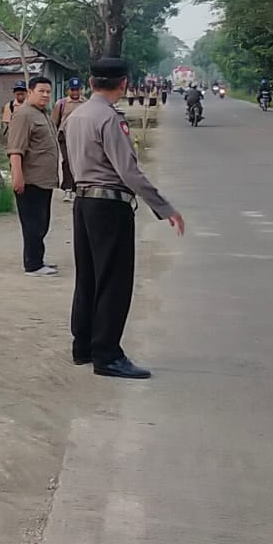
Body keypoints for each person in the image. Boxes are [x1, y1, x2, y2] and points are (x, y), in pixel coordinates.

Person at [63, 58, 184, 380]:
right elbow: (128, 172)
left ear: (90, 83)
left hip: (83, 202)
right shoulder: (109, 119)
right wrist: (164, 208)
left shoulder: (76, 116)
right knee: (114, 281)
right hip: (109, 206)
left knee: (88, 277)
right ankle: (107, 355)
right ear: (124, 84)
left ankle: (83, 346)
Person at [7, 76, 60, 277]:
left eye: (48, 92)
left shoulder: (42, 114)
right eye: (41, 91)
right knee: (33, 224)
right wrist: (17, 177)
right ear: (30, 92)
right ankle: (32, 265)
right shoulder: (24, 115)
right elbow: (15, 150)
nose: (45, 95)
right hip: (30, 180)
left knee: (42, 222)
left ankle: (38, 259)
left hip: (44, 180)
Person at [51, 78, 86, 203]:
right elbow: (54, 122)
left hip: (81, 136)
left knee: (80, 161)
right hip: (64, 136)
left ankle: (78, 188)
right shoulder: (61, 104)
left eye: (77, 90)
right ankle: (68, 188)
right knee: (67, 161)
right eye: (73, 90)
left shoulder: (86, 103)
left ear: (81, 90)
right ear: (68, 90)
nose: (75, 92)